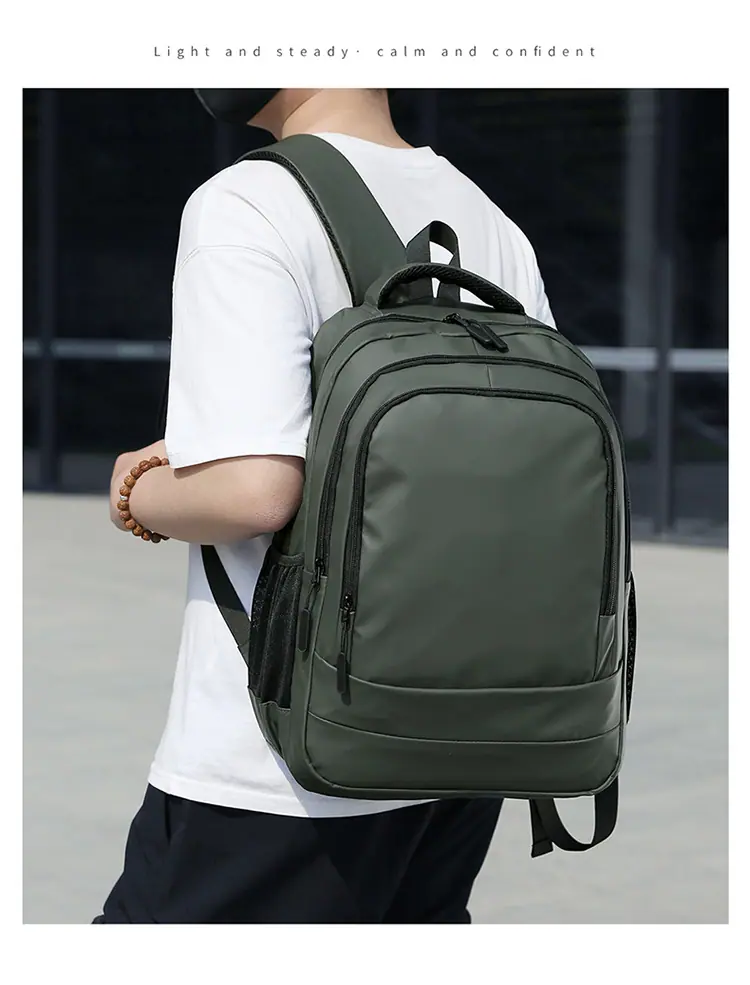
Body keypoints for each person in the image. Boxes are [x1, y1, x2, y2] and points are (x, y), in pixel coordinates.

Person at [96, 88, 556, 924]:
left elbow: (255, 489)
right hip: (465, 746)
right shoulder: (492, 222)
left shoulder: (249, 202)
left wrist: (136, 490)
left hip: (283, 762)